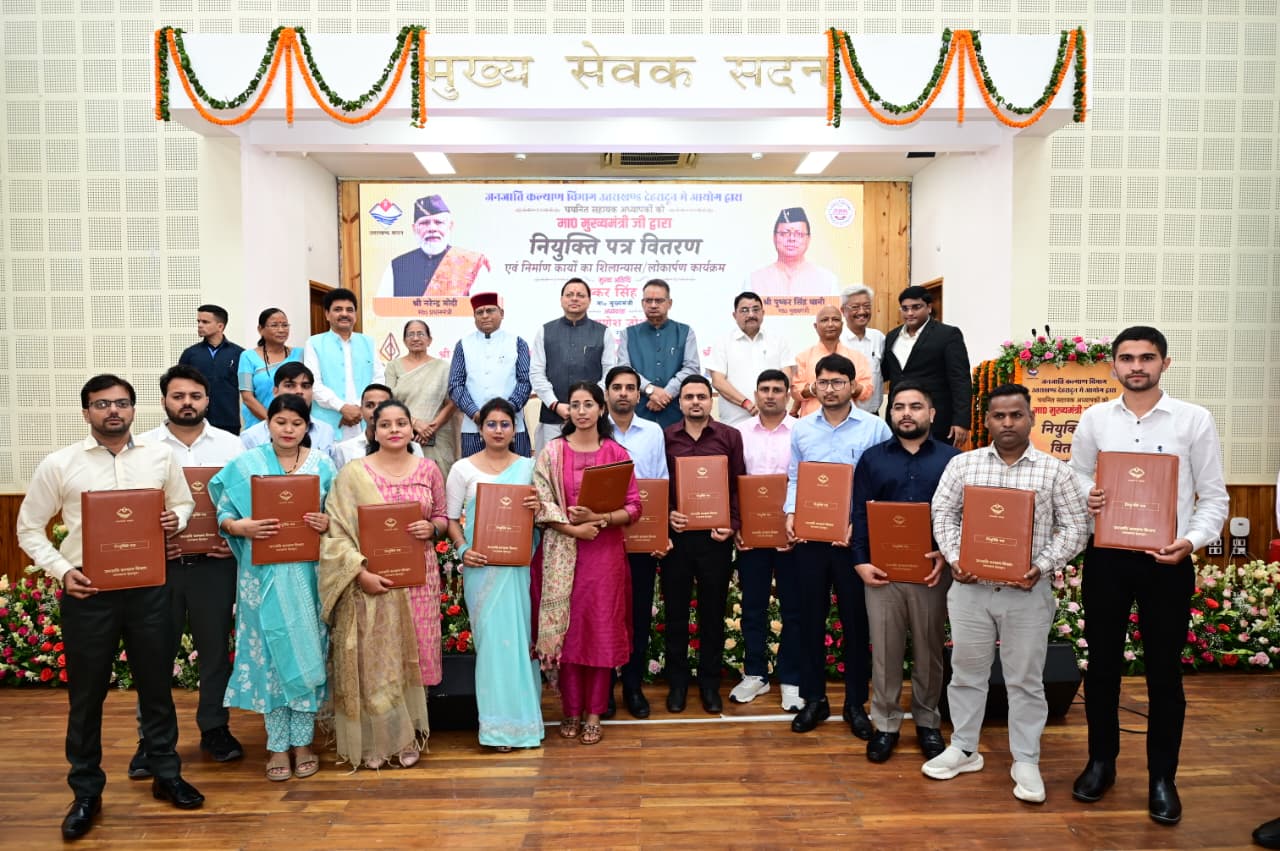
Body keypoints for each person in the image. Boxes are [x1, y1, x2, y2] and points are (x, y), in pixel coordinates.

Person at [16, 374, 204, 840]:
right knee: (86, 696)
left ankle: (165, 773)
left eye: (121, 403)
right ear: (86, 412)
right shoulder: (60, 463)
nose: (113, 411)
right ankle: (86, 791)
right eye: (102, 404)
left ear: (134, 409)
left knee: (156, 687)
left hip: (150, 588)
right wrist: (63, 571)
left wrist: (175, 518)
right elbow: (28, 529)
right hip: (89, 592)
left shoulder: (159, 457)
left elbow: (183, 504)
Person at [1069, 326, 1229, 825]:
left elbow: (1214, 496)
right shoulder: (1095, 419)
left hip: (1168, 560)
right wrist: (1090, 493)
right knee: (1102, 668)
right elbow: (1076, 473)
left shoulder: (1194, 419)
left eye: (1147, 357)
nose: (1136, 366)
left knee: (1164, 672)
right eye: (1127, 358)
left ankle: (1163, 776)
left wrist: (1191, 542)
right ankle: (1101, 763)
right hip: (1107, 558)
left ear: (1165, 363)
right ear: (1113, 365)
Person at [925, 383, 1089, 803]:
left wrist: (1042, 566)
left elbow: (1076, 527)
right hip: (971, 590)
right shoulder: (964, 465)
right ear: (986, 421)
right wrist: (957, 558)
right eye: (999, 416)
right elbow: (943, 514)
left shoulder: (1056, 471)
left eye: (1017, 415)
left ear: (1031, 418)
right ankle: (964, 749)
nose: (1008, 423)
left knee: (1026, 681)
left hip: (1027, 592)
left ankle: (1026, 759)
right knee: (966, 673)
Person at [209, 394, 337, 782]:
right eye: (281, 422)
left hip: (307, 577)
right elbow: (223, 510)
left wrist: (326, 522)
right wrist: (239, 526)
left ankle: (303, 743)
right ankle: (278, 745)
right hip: (260, 578)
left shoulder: (323, 465)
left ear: (307, 426)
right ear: (268, 424)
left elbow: (338, 515)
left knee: (306, 651)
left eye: (297, 423)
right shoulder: (246, 464)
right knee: (270, 658)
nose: (288, 429)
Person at [320, 399, 448, 770]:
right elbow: (336, 532)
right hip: (371, 581)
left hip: (419, 579)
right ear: (373, 431)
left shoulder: (428, 469)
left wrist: (432, 528)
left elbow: (442, 516)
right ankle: (377, 739)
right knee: (376, 659)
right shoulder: (353, 473)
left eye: (401, 423)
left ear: (412, 429)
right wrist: (360, 574)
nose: (394, 430)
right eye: (385, 424)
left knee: (412, 654)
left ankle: (407, 736)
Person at [131, 365, 246, 777]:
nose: (187, 403)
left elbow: (245, 503)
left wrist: (231, 539)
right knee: (153, 655)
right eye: (178, 396)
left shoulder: (231, 446)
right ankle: (152, 740)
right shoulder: (141, 447)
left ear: (207, 400)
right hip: (160, 568)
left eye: (195, 396)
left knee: (215, 653)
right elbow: (129, 507)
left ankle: (215, 727)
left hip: (214, 566)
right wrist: (150, 540)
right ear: (164, 400)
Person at [850, 380, 960, 763]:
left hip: (931, 572)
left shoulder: (953, 460)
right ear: (890, 413)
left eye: (915, 406)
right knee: (885, 651)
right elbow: (859, 513)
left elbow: (963, 515)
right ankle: (886, 725)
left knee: (929, 651)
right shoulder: (872, 459)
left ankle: (928, 723)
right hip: (882, 572)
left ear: (931, 413)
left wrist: (947, 553)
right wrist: (860, 560)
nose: (906, 414)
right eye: (898, 407)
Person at [784, 354, 889, 737]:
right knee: (809, 619)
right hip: (811, 540)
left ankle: (855, 704)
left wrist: (861, 525)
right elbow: (795, 477)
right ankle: (814, 699)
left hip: (854, 542)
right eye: (823, 382)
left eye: (837, 382)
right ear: (815, 386)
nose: (830, 389)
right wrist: (791, 513)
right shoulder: (802, 429)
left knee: (855, 623)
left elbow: (882, 481)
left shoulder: (875, 428)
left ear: (852, 386)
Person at [533, 382, 641, 746]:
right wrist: (573, 529)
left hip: (604, 555)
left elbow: (634, 507)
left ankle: (594, 714)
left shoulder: (616, 452)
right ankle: (571, 710)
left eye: (588, 404)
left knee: (599, 632)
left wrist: (600, 518)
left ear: (601, 408)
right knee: (569, 634)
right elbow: (541, 503)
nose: (581, 411)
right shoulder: (552, 452)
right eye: (575, 405)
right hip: (562, 552)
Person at [444, 398, 544, 751]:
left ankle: (525, 724)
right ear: (480, 428)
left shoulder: (530, 467)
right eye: (491, 424)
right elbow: (450, 519)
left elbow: (544, 518)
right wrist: (462, 550)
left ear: (515, 430)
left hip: (519, 569)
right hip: (481, 569)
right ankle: (497, 728)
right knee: (492, 648)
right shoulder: (462, 469)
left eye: (505, 424)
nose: (498, 430)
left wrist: (538, 506)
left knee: (520, 642)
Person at [663, 374, 747, 715]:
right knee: (676, 613)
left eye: (701, 396)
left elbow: (739, 484)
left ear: (711, 400)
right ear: (680, 402)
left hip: (715, 539)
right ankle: (678, 683)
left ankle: (710, 684)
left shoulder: (729, 436)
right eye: (689, 397)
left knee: (713, 613)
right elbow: (659, 483)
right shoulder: (666, 436)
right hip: (678, 539)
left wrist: (733, 524)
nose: (695, 402)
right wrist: (667, 513)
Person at [731, 369, 803, 710]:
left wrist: (800, 524)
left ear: (787, 394)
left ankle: (791, 678)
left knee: (793, 608)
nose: (770, 395)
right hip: (751, 536)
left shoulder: (802, 431)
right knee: (753, 607)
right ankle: (755, 674)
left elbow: (806, 480)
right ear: (756, 394)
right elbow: (733, 483)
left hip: (791, 535)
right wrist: (737, 526)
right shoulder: (739, 433)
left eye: (777, 389)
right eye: (764, 389)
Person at [606, 365, 671, 719]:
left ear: (637, 394)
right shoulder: (594, 431)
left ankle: (633, 685)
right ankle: (604, 688)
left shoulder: (653, 431)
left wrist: (661, 533)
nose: (624, 393)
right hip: (602, 538)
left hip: (642, 536)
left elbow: (660, 481)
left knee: (638, 614)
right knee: (605, 614)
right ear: (606, 393)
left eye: (630, 387)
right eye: (617, 387)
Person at [529, 278, 616, 450]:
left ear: (589, 301)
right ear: (561, 300)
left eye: (580, 295)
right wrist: (555, 404)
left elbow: (609, 373)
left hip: (592, 419)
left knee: (591, 463)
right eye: (569, 295)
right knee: (552, 463)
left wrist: (589, 405)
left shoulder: (603, 332)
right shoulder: (545, 331)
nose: (574, 298)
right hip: (553, 417)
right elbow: (537, 373)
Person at [882, 285, 972, 447]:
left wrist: (961, 421)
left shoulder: (947, 335)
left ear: (929, 307)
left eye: (916, 307)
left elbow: (960, 379)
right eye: (905, 308)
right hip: (899, 418)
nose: (910, 313)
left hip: (936, 419)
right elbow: (887, 373)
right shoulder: (892, 336)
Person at [448, 292, 533, 457]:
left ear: (502, 313)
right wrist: (474, 413)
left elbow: (525, 381)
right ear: (474, 317)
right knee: (475, 471)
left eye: (490, 310)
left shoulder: (517, 342)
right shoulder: (463, 345)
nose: (485, 316)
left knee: (517, 470)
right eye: (480, 312)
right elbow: (455, 385)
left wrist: (506, 411)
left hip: (512, 425)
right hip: (474, 425)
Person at [304, 287, 386, 442]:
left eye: (350, 310)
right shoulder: (314, 343)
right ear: (327, 314)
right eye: (338, 309)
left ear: (355, 315)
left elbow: (378, 379)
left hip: (364, 421)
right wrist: (342, 407)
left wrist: (359, 407)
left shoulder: (368, 342)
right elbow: (313, 383)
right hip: (328, 422)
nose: (344, 314)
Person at [617, 279, 700, 429]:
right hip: (639, 412)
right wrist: (650, 390)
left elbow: (691, 368)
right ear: (642, 303)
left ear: (669, 303)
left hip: (676, 413)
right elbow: (624, 370)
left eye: (659, 300)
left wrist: (666, 394)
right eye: (648, 300)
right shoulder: (628, 334)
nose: (653, 305)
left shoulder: (685, 332)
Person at [706, 291, 796, 427]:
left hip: (773, 422)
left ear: (763, 313)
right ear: (734, 315)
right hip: (735, 423)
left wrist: (766, 402)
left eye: (755, 309)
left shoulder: (778, 342)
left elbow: (786, 378)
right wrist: (747, 403)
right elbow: (718, 381)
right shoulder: (722, 343)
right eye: (744, 310)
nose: (751, 315)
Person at [377, 194, 491, 298]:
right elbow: (382, 309)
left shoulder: (472, 264)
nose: (432, 228)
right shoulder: (397, 266)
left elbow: (486, 308)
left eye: (439, 222)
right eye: (424, 223)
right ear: (414, 228)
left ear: (450, 226)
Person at [384, 320, 458, 479]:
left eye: (420, 334)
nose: (415, 338)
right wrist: (414, 423)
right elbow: (388, 402)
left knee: (437, 482)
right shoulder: (393, 366)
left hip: (438, 435)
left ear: (429, 340)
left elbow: (452, 403)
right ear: (404, 341)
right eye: (410, 334)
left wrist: (431, 429)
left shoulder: (443, 367)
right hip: (402, 432)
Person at [240, 362, 338, 461]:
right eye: (290, 385)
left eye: (305, 386)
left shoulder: (325, 431)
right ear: (275, 391)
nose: (299, 391)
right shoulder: (251, 437)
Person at [791, 304, 873, 417]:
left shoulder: (857, 357)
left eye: (835, 320)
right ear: (815, 326)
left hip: (847, 421)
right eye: (824, 320)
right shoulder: (803, 357)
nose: (830, 324)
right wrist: (815, 388)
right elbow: (795, 391)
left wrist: (845, 385)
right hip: (812, 422)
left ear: (842, 325)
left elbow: (866, 392)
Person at [178, 304, 244, 434]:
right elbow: (179, 385)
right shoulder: (190, 354)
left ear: (220, 326)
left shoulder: (239, 354)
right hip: (196, 420)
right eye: (198, 321)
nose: (200, 325)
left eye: (205, 322)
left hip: (228, 421)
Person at [747, 206, 838, 297]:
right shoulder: (754, 280)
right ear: (774, 237)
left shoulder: (827, 280)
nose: (791, 239)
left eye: (799, 234)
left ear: (808, 239)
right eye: (785, 233)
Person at [237, 308, 304, 429]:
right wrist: (274, 422)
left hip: (294, 426)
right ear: (260, 329)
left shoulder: (300, 354)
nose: (281, 330)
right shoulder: (247, 357)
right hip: (259, 426)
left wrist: (287, 424)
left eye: (285, 325)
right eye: (274, 325)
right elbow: (247, 397)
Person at [332, 383, 423, 467]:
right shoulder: (344, 449)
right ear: (361, 410)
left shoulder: (413, 448)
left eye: (383, 405)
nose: (376, 410)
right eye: (369, 405)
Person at [840, 285, 886, 415]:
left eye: (866, 306)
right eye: (855, 307)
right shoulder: (836, 340)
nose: (862, 311)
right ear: (843, 310)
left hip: (873, 414)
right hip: (843, 415)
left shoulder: (879, 338)